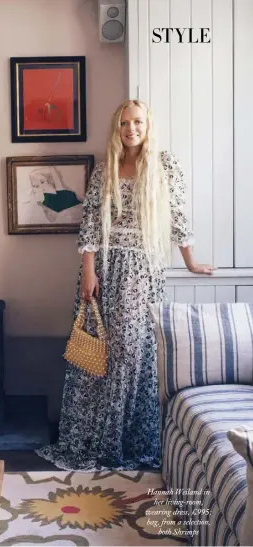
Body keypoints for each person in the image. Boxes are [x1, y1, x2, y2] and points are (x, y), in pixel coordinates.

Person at [36, 99, 215, 471]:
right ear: (116, 128)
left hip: (142, 270)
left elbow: (178, 216)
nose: (131, 128)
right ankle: (95, 440)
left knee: (132, 354)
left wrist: (191, 261)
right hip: (104, 267)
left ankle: (128, 441)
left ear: (147, 126)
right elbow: (90, 225)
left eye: (137, 122)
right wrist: (89, 271)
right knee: (97, 355)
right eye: (124, 123)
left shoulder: (165, 166)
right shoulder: (105, 171)